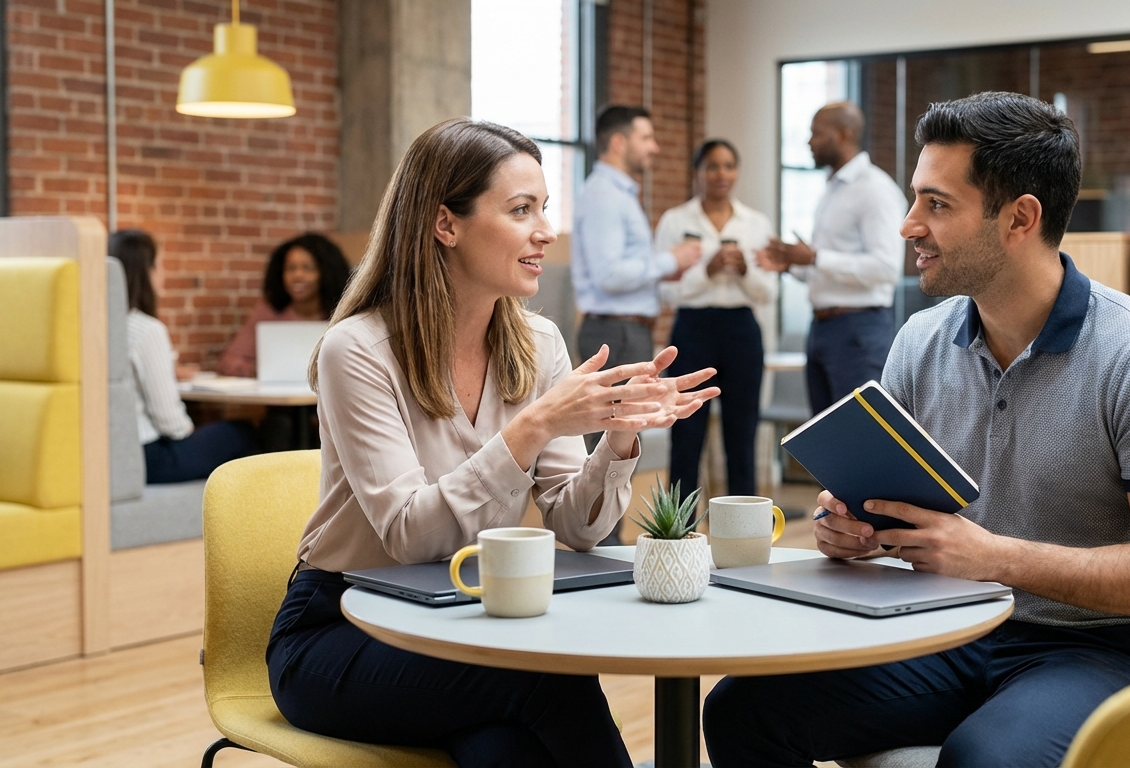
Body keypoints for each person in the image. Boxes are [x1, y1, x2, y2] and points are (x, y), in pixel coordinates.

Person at [704, 92, 1130, 767]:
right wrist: (854, 532)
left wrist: (996, 558)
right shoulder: (921, 341)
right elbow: (899, 520)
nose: (908, 225)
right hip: (951, 626)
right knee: (745, 710)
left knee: (985, 759)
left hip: (1104, 647)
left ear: (1020, 218)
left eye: (937, 205)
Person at [266, 118, 718, 767]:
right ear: (445, 224)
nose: (545, 231)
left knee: (503, 748)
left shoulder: (538, 347)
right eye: (521, 210)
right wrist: (532, 427)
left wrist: (616, 441)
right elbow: (410, 536)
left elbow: (577, 525)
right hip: (342, 628)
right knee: (541, 675)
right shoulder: (358, 351)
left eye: (544, 208)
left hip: (461, 621)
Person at [757, 101, 907, 415]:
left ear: (843, 134)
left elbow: (886, 268)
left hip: (859, 330)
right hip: (823, 329)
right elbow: (823, 267)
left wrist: (814, 258)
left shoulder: (875, 189)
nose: (809, 141)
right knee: (826, 437)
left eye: (816, 133)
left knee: (862, 434)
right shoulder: (832, 189)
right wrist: (791, 265)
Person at [655, 138, 777, 500]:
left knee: (742, 436)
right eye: (712, 166)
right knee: (686, 434)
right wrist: (705, 272)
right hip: (692, 330)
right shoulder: (675, 221)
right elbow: (665, 291)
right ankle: (678, 531)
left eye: (728, 166)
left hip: (742, 329)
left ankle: (745, 532)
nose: (720, 174)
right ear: (698, 173)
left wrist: (744, 272)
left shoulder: (756, 223)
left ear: (736, 172)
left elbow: (769, 293)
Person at [111, 229, 257, 483]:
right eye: (160, 265)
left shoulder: (96, 324)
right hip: (150, 456)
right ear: (145, 272)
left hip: (112, 452)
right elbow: (172, 424)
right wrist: (190, 431)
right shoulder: (146, 329)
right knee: (242, 432)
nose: (163, 274)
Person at [572, 105, 703, 371]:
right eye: (646, 138)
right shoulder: (605, 195)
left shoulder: (619, 193)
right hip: (616, 335)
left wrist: (662, 273)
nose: (654, 147)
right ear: (619, 142)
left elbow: (621, 266)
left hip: (624, 332)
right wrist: (670, 260)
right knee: (623, 414)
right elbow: (609, 276)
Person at [216, 232, 351, 378]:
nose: (297, 275)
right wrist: (261, 371)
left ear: (327, 273)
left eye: (308, 268)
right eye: (291, 268)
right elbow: (228, 362)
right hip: (278, 398)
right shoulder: (271, 309)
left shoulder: (343, 314)